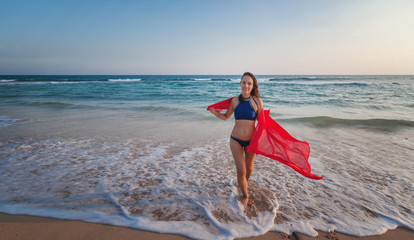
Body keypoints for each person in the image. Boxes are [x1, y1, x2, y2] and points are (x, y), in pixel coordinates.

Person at [209, 72, 264, 202]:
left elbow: (262, 124)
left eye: (249, 83)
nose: (246, 85)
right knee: (241, 171)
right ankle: (245, 196)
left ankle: (244, 183)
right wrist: (214, 113)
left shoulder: (257, 101)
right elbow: (226, 117)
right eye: (244, 83)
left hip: (251, 142)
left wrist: (262, 142)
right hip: (236, 140)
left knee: (249, 170)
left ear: (253, 86)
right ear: (240, 84)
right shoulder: (235, 101)